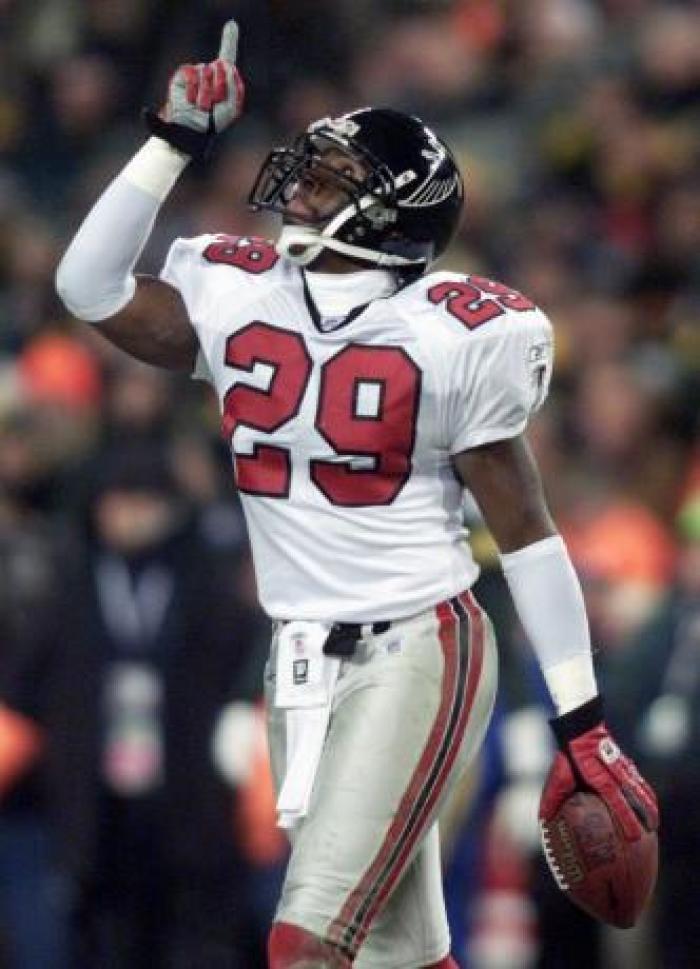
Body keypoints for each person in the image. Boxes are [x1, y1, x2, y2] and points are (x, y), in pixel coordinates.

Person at [55, 20, 659, 969]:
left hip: (419, 644)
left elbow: (529, 533)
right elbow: (86, 285)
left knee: (306, 942)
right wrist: (171, 144)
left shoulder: (457, 332)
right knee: (397, 954)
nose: (298, 185)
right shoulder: (237, 291)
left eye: (330, 179)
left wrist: (580, 718)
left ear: (386, 215)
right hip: (299, 658)